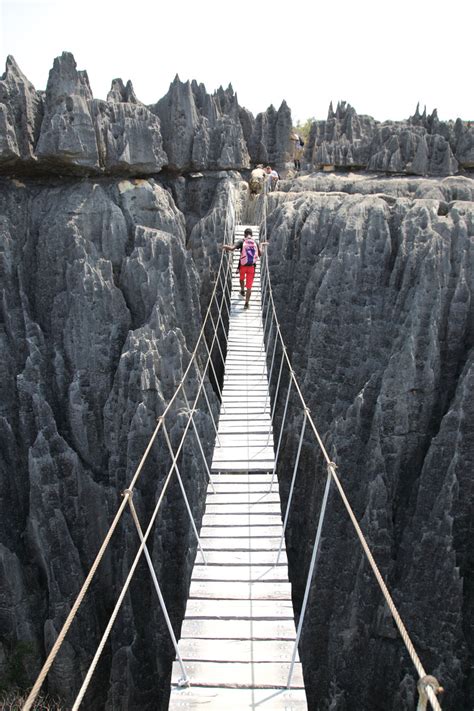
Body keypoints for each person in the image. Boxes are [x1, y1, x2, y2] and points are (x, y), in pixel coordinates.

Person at [222, 228, 265, 309]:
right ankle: (246, 303)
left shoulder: (242, 241)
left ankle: (242, 290)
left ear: (244, 234)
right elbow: (260, 254)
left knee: (241, 279)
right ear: (251, 235)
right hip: (252, 267)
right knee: (249, 287)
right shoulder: (255, 242)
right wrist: (261, 244)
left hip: (242, 266)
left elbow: (231, 248)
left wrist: (224, 246)